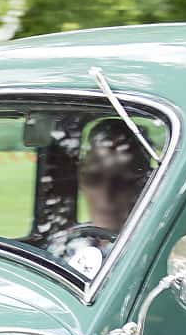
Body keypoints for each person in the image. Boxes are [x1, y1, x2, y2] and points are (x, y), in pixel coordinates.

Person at [48, 118, 152, 276]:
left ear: (144, 185)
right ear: (81, 180)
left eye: (122, 183)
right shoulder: (63, 248)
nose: (106, 199)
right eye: (94, 179)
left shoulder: (153, 254)